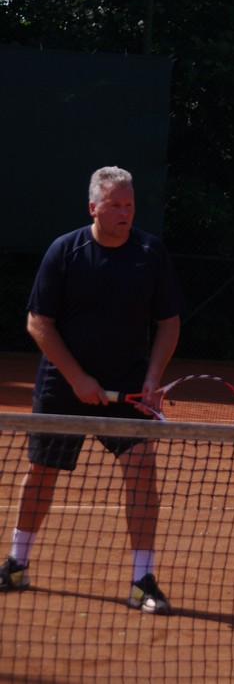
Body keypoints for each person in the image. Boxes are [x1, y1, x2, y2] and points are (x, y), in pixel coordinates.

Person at [0, 166, 181, 614]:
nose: (124, 212)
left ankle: (142, 580)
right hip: (63, 383)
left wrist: (152, 378)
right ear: (93, 208)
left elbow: (169, 323)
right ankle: (16, 563)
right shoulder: (65, 251)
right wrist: (78, 379)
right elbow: (38, 322)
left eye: (129, 204)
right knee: (42, 471)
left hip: (128, 384)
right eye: (115, 204)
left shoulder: (150, 253)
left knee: (141, 468)